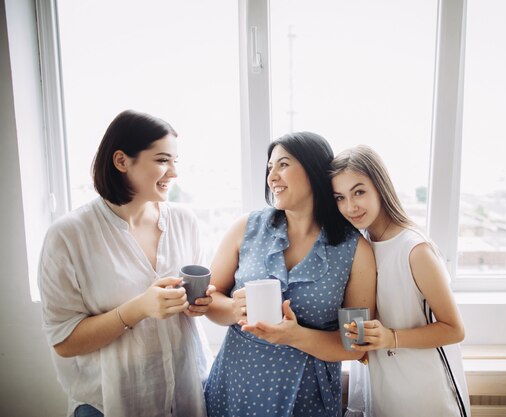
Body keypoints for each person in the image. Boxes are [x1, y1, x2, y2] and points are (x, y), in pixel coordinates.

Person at [38, 109, 215, 417]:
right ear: (121, 161)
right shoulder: (68, 236)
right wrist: (139, 309)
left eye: (176, 161)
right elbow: (64, 341)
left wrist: (199, 304)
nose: (173, 172)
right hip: (109, 404)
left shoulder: (185, 222)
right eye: (162, 160)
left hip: (188, 394)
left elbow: (196, 304)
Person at [204, 132, 377, 417]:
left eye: (283, 164)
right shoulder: (246, 227)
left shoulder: (355, 249)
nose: (272, 176)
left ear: (314, 169)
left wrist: (295, 336)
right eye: (269, 168)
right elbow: (208, 300)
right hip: (235, 387)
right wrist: (235, 308)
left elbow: (354, 345)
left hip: (306, 397)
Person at [330, 145, 470, 417]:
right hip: (384, 391)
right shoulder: (361, 247)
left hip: (426, 393)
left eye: (359, 191)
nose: (350, 206)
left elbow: (454, 329)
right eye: (340, 197)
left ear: (380, 187)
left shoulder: (415, 250)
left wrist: (389, 337)